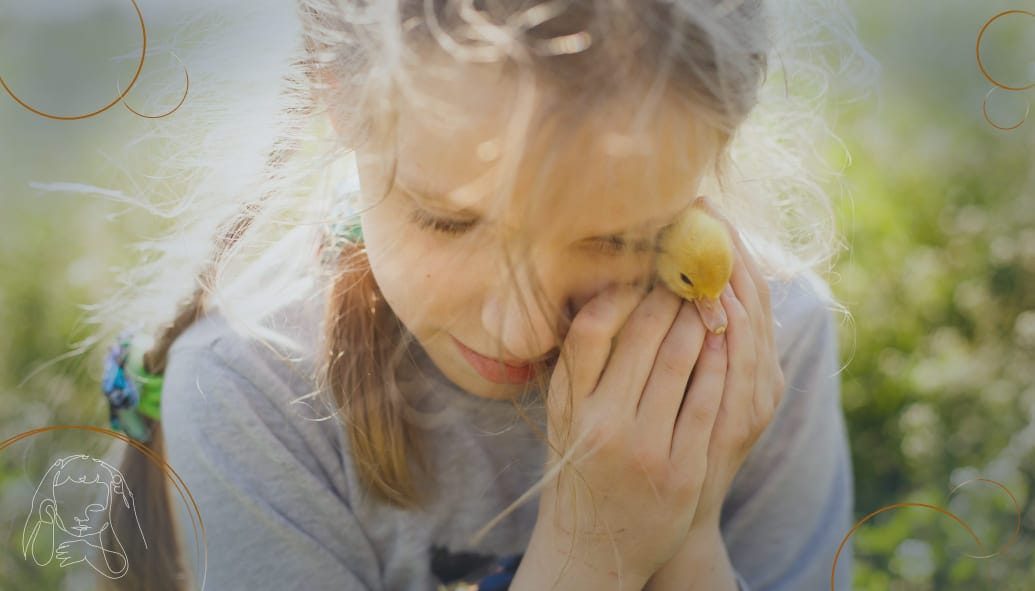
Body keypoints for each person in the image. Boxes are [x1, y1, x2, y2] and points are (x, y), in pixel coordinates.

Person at [93, 0, 872, 589]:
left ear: (717, 141)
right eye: (446, 220)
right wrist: (591, 552)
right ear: (338, 99)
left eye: (617, 238)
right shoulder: (252, 391)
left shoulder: (763, 349)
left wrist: (690, 536)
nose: (520, 326)